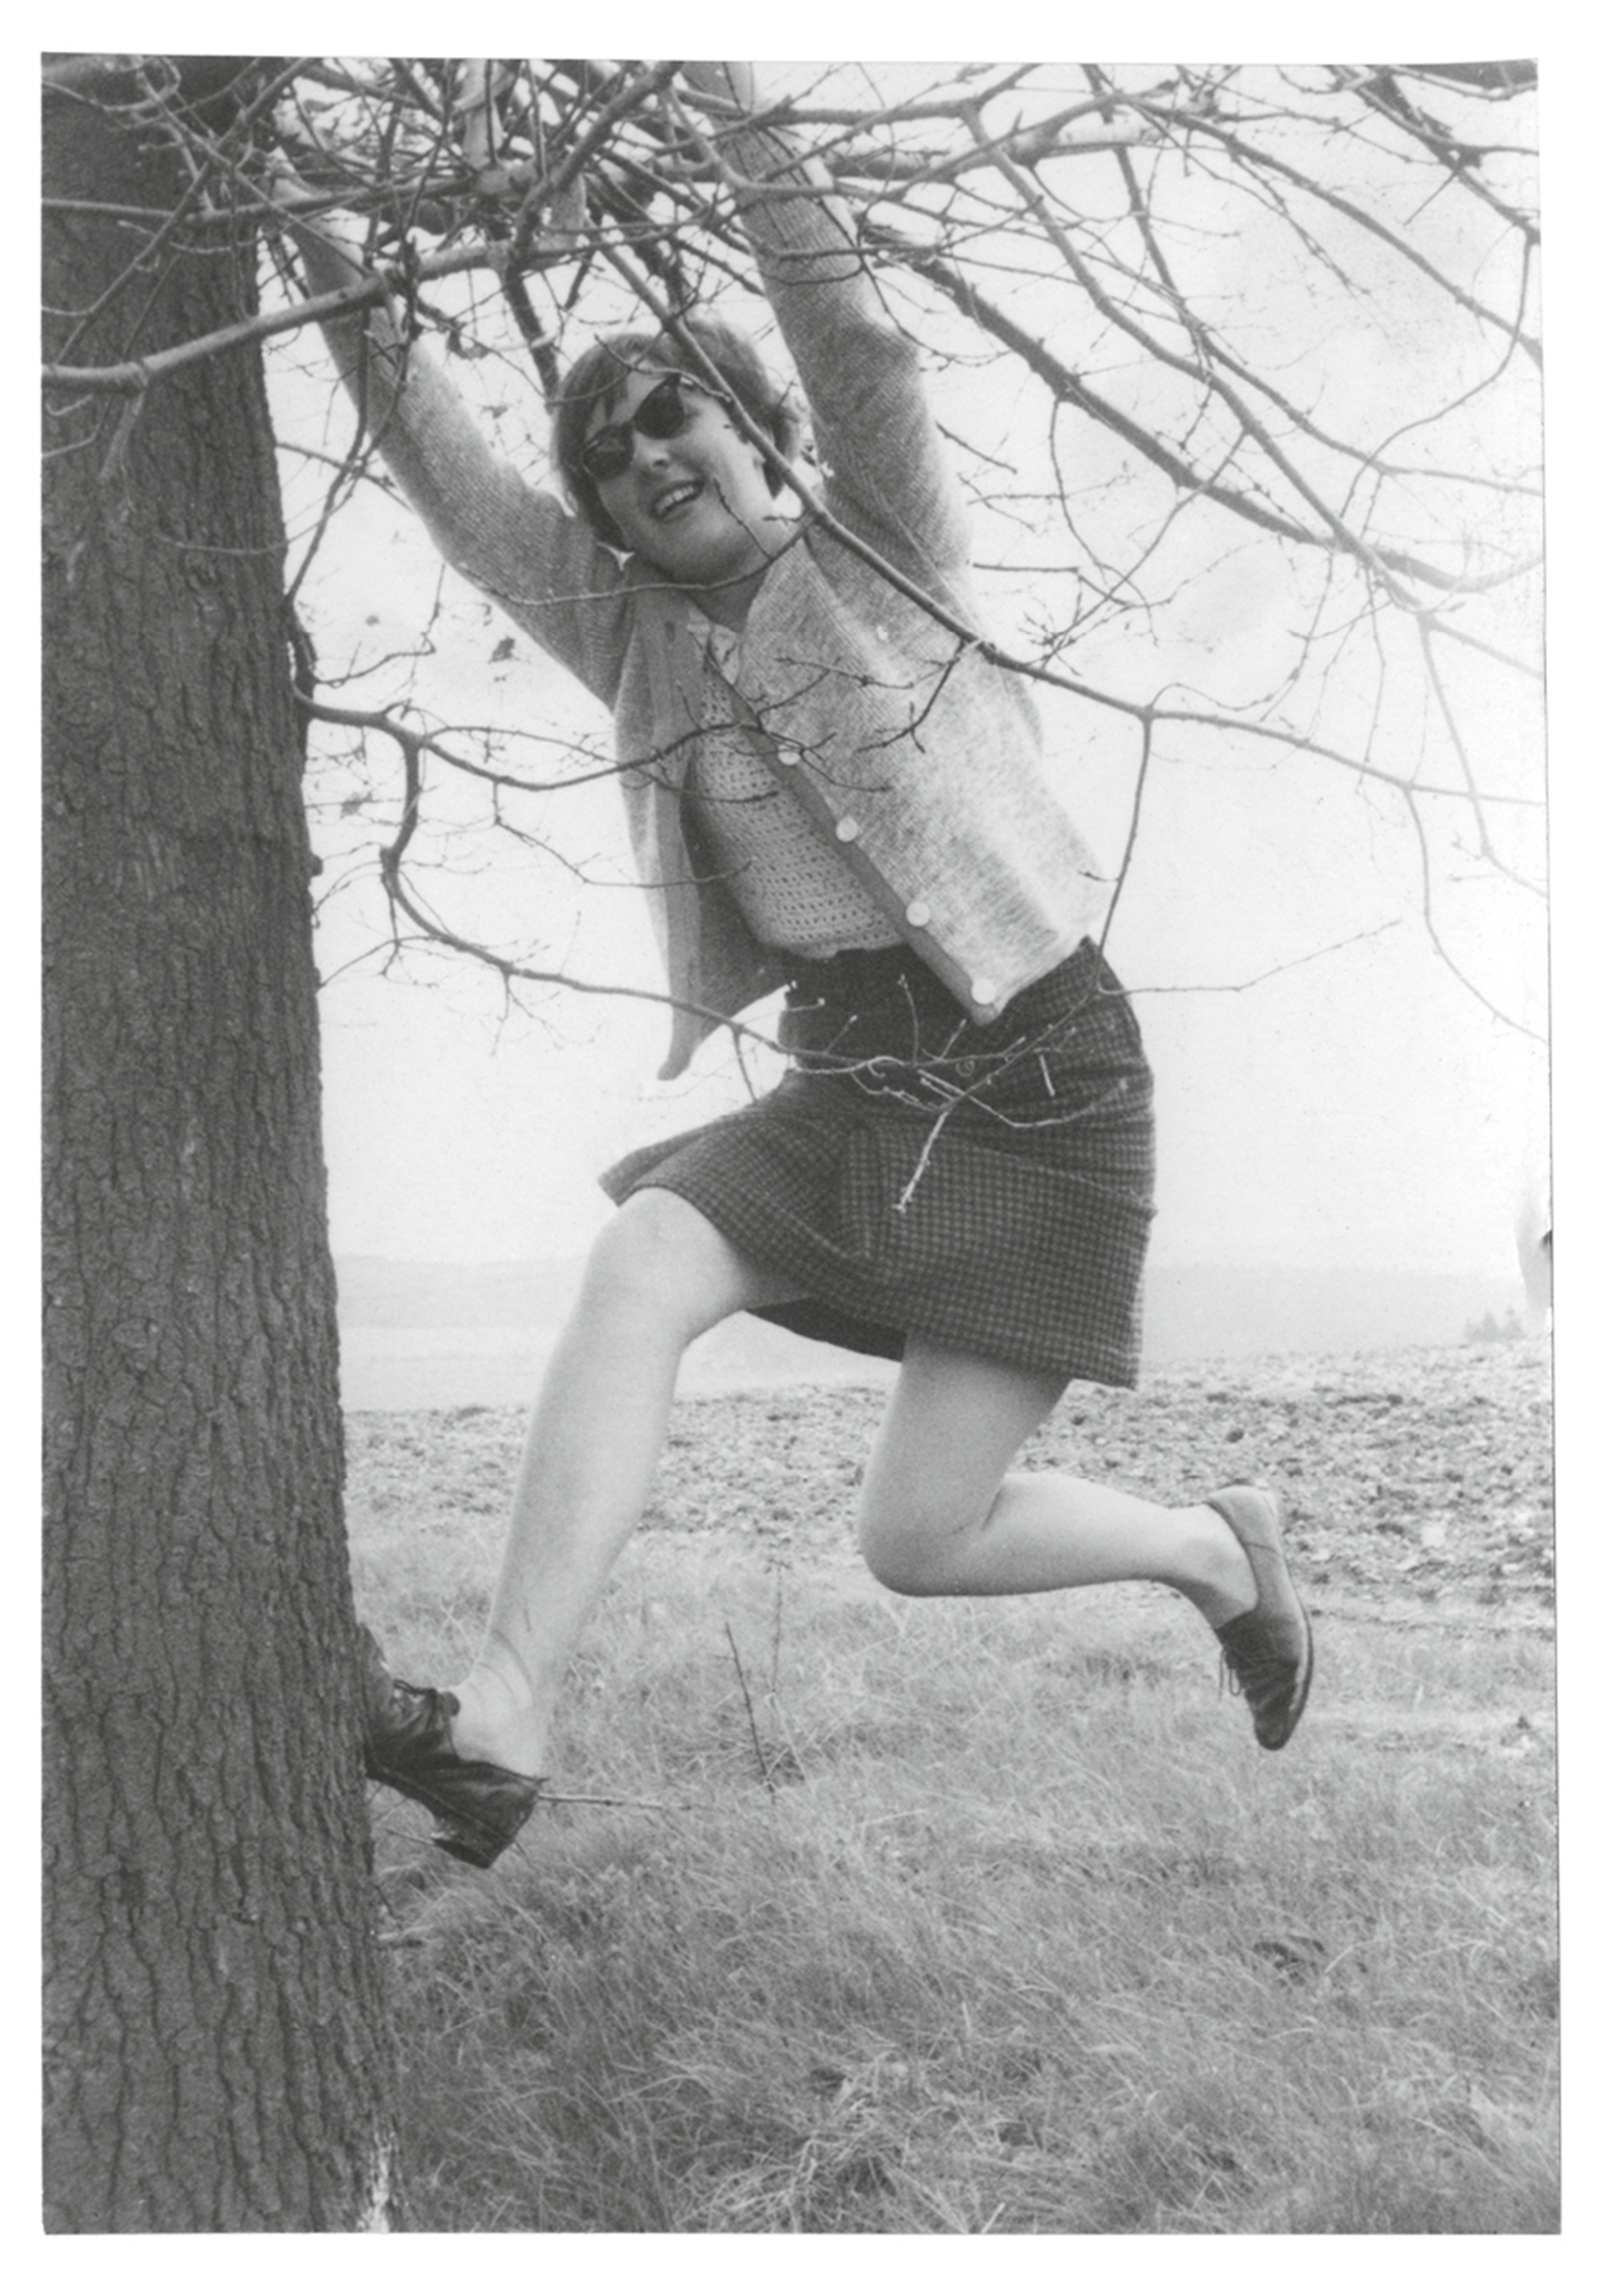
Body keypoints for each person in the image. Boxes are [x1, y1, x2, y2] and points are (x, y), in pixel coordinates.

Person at [288, 62, 1314, 1870]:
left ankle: (1211, 1548)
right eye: (606, 462)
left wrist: (729, 92)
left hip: (1038, 1071)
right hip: (849, 1075)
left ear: (757, 428)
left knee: (916, 1541)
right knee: (638, 1261)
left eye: (672, 418)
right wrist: (303, 221)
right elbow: (451, 484)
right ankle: (505, 1723)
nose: (641, 464)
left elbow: (855, 333)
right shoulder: (629, 635)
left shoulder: (883, 547)